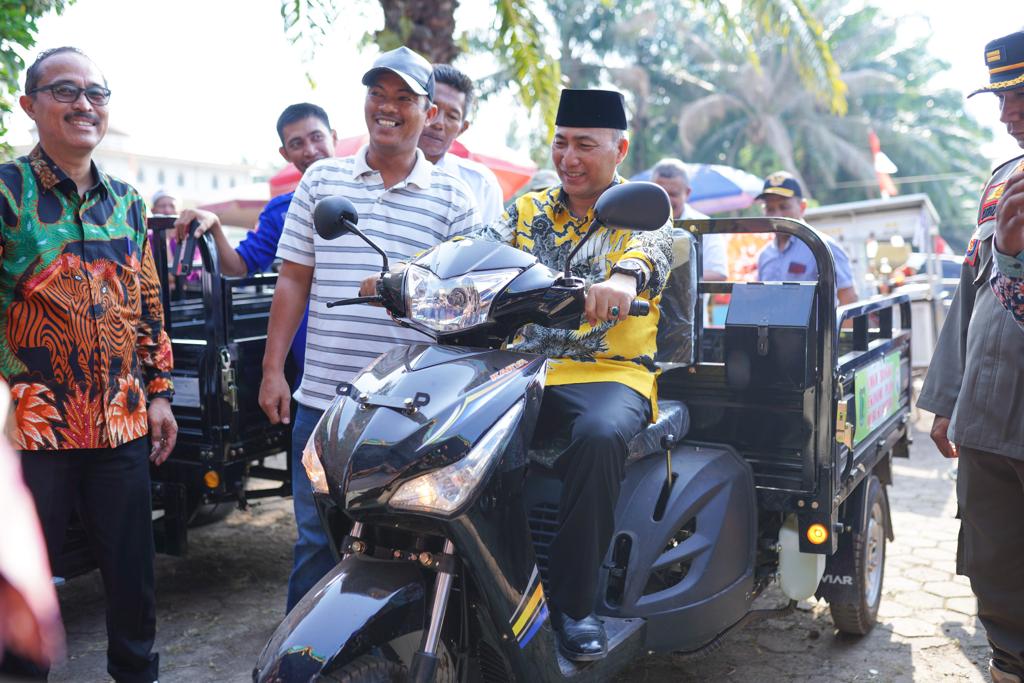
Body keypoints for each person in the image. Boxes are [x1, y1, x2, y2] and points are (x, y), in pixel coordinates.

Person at [259, 46, 481, 613]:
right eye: (377, 94)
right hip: (322, 402)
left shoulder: (456, 197)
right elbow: (293, 280)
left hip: (409, 408)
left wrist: (403, 289)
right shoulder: (322, 180)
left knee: (407, 545)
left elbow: (463, 302)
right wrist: (271, 371)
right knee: (315, 541)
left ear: (430, 112)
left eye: (403, 97)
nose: (387, 107)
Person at [469, 88, 672, 661]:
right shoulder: (530, 209)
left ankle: (575, 605)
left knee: (599, 436)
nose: (570, 157)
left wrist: (624, 281)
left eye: (585, 144)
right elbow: (477, 247)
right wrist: (410, 274)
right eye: (561, 143)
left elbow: (650, 252)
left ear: (619, 148)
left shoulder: (642, 207)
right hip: (521, 368)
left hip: (609, 373)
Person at [0, 46, 176, 682]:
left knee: (133, 579)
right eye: (65, 90)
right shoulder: (5, 192)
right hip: (29, 432)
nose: (84, 104)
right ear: (30, 106)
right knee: (26, 584)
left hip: (119, 426)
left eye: (96, 93)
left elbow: (148, 304)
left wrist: (158, 393)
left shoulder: (128, 202)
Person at [920, 29, 1024, 683]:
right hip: (988, 419)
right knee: (995, 557)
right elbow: (971, 291)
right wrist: (944, 398)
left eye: (1020, 96)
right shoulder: (1002, 180)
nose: (1006, 114)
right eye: (1002, 98)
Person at [174, 102, 337, 379]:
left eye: (317, 137)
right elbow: (238, 266)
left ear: (333, 137)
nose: (310, 150)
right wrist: (214, 226)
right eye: (297, 143)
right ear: (285, 153)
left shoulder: (374, 191)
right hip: (312, 362)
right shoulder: (281, 210)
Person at [416, 64, 504, 223]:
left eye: (452, 116)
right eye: (432, 109)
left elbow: (492, 247)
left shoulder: (481, 185)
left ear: (462, 129)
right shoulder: (375, 168)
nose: (438, 123)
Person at [755, 171, 857, 305]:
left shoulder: (823, 247)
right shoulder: (765, 255)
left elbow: (847, 298)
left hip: (816, 327)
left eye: (784, 207)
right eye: (770, 209)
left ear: (802, 207)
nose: (777, 215)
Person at [650, 157, 727, 281]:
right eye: (661, 193)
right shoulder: (638, 223)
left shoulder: (705, 225)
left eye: (673, 194)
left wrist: (667, 279)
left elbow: (718, 273)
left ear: (687, 193)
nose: (667, 200)